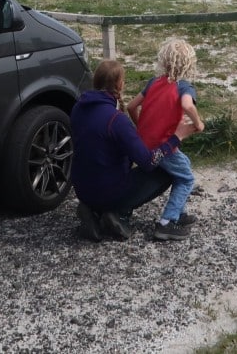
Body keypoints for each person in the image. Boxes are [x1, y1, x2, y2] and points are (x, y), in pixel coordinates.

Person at [70, 58, 199, 242]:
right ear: (120, 84)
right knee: (165, 170)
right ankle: (118, 213)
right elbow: (148, 161)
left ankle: (92, 210)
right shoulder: (116, 120)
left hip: (81, 188)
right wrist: (176, 137)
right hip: (107, 192)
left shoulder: (78, 108)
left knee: (102, 166)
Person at [125, 38, 204, 241]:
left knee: (183, 165)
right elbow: (187, 105)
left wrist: (140, 127)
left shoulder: (153, 82)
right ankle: (167, 222)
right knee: (186, 178)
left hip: (144, 143)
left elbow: (131, 106)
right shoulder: (184, 87)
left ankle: (180, 212)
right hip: (164, 146)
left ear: (164, 61)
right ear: (189, 64)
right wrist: (198, 123)